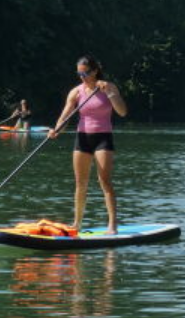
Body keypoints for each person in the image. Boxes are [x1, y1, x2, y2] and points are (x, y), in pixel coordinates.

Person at [49, 56, 128, 234]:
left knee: (105, 181)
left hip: (103, 138)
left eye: (85, 73)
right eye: (79, 73)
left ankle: (112, 225)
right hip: (82, 138)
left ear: (95, 71)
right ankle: (77, 223)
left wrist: (110, 93)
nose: (82, 76)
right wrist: (56, 130)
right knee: (80, 183)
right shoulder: (76, 92)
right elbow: (64, 117)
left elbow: (122, 112)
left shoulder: (109, 87)